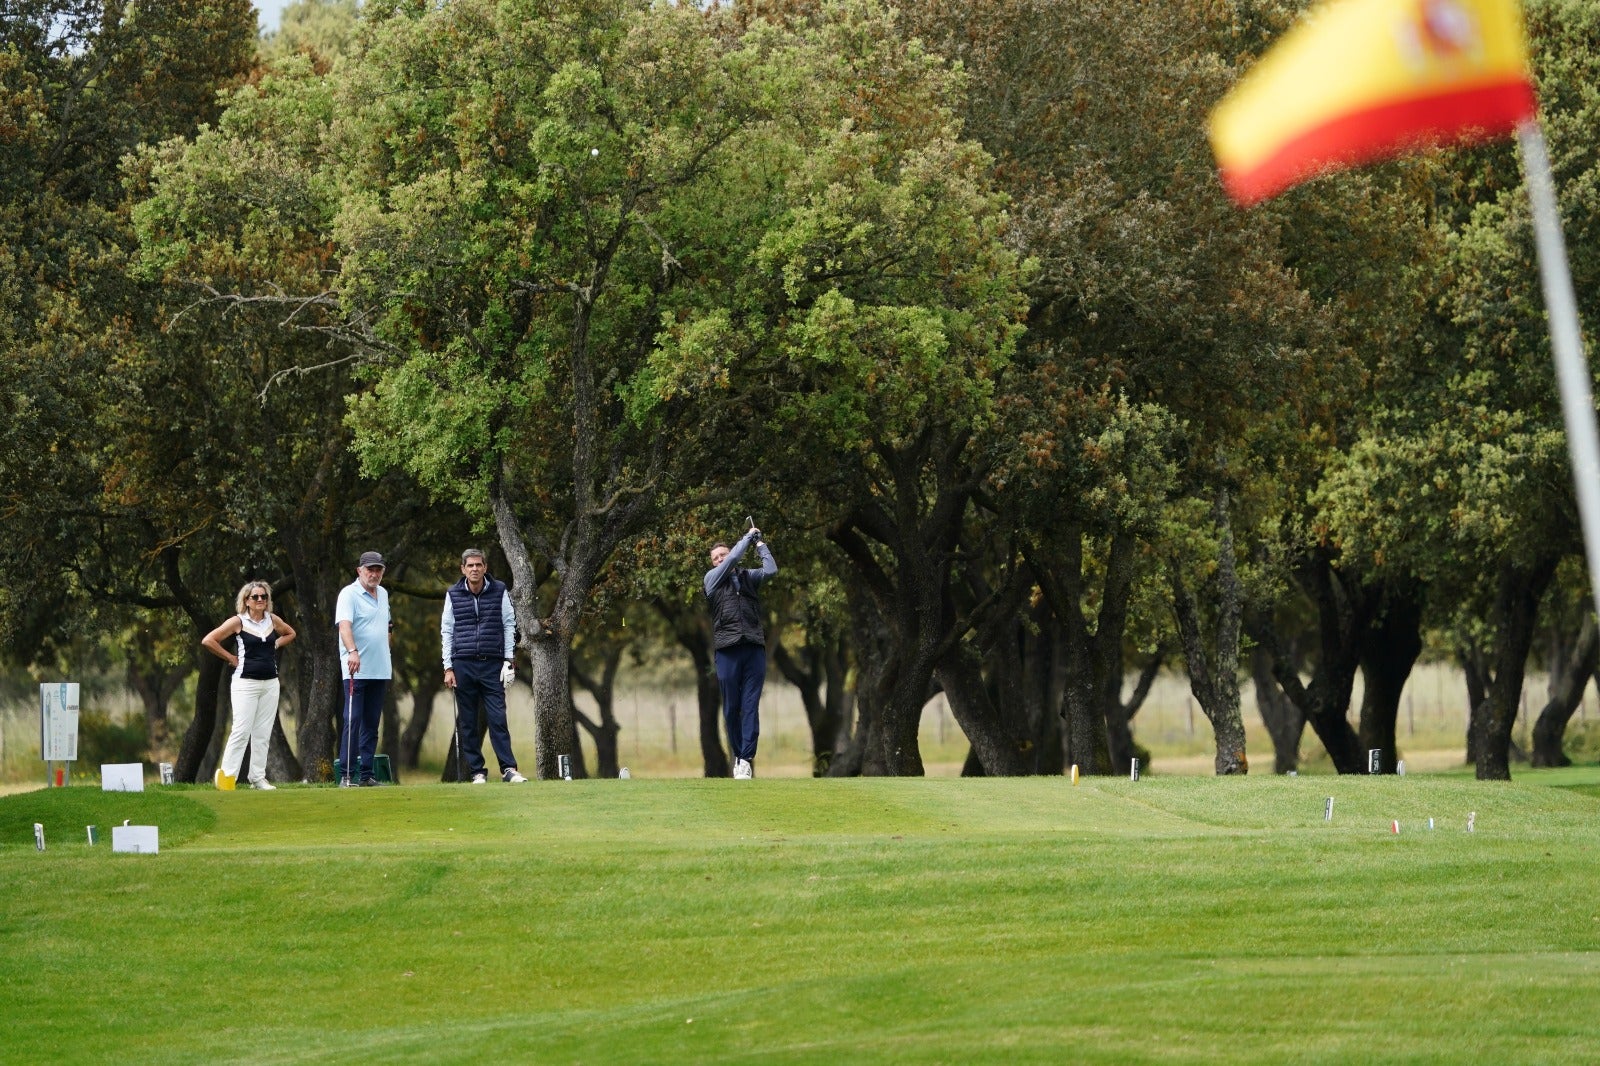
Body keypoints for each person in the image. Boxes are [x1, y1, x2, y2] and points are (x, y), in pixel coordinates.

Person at [201, 580, 297, 791]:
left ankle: (258, 778)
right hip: (245, 683)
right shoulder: (238, 622)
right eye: (255, 597)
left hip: (270, 683)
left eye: (264, 596)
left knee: (262, 732)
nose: (260, 600)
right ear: (246, 600)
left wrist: (275, 644)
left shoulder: (272, 620)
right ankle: (227, 778)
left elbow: (290, 633)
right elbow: (209, 640)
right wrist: (230, 658)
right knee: (241, 730)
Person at [441, 548, 526, 784]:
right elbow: (447, 631)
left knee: (497, 717)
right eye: (470, 566)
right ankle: (477, 771)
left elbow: (509, 624)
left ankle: (508, 769)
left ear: (485, 568)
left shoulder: (499, 590)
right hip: (463, 663)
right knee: (467, 721)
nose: (475, 569)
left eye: (479, 565)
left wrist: (509, 660)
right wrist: (448, 667)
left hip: (492, 663)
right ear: (463, 569)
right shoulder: (453, 594)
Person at [703, 524, 778, 779]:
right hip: (727, 651)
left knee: (750, 706)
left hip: (754, 648)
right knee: (731, 708)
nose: (721, 559)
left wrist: (759, 545)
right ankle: (738, 754)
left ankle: (745, 759)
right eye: (716, 558)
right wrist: (746, 537)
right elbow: (734, 557)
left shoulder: (748, 577)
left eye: (723, 554)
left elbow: (771, 570)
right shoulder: (711, 580)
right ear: (714, 564)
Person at [335, 550, 393, 786]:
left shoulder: (384, 593)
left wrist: (386, 651)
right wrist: (353, 651)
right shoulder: (348, 594)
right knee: (353, 719)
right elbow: (344, 627)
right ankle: (347, 775)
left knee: (371, 723)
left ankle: (367, 775)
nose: (374, 573)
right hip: (355, 669)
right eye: (370, 569)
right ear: (359, 571)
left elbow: (387, 627)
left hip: (380, 669)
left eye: (378, 569)